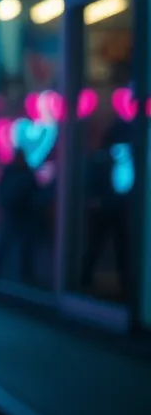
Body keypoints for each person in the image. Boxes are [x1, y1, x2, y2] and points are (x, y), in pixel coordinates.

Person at [79, 126, 131, 296]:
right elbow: (92, 183)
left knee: (121, 249)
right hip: (103, 212)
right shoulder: (100, 161)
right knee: (97, 246)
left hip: (119, 212)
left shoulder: (130, 163)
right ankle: (85, 279)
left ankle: (125, 284)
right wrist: (95, 201)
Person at [0, 154, 39, 285]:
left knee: (21, 245)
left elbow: (34, 192)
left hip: (23, 215)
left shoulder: (23, 174)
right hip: (14, 214)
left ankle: (24, 275)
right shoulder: (15, 173)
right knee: (7, 243)